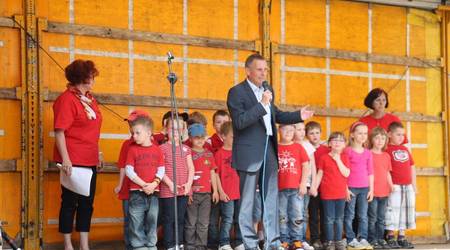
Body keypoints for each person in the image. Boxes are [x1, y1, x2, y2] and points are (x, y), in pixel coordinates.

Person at [226, 53, 313, 250]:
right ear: (248, 71)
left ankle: (273, 243)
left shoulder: (268, 89)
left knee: (271, 201)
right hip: (249, 155)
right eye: (259, 69)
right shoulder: (236, 92)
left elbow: (277, 114)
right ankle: (249, 244)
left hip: (269, 151)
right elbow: (240, 122)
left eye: (265, 69)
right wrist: (261, 104)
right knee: (247, 203)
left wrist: (299, 115)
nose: (263, 73)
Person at [53, 59, 102, 250]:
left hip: (89, 158)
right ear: (84, 78)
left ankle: (84, 244)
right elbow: (59, 131)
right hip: (73, 160)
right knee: (69, 203)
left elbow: (92, 130)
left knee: (87, 204)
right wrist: (66, 159)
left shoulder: (90, 99)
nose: (93, 79)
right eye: (91, 76)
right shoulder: (66, 99)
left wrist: (97, 153)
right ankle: (67, 244)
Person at [125, 115, 165, 250]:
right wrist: (143, 185)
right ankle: (138, 244)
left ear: (148, 133)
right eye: (132, 133)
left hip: (154, 192)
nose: (134, 136)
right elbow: (129, 171)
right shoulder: (132, 149)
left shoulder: (157, 150)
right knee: (136, 219)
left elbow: (161, 169)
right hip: (137, 192)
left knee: (152, 220)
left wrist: (154, 184)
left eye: (137, 133)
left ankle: (151, 243)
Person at [114, 109, 150, 250]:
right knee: (129, 220)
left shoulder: (153, 144)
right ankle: (130, 246)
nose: (131, 126)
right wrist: (119, 184)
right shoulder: (126, 144)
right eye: (129, 123)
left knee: (147, 220)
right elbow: (123, 166)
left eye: (133, 123)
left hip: (147, 190)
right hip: (128, 189)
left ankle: (145, 245)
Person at [310, 132, 350, 250]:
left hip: (340, 194)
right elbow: (319, 174)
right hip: (327, 194)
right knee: (328, 219)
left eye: (340, 140)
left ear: (344, 145)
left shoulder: (344, 157)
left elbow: (346, 173)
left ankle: (338, 240)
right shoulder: (324, 158)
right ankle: (329, 241)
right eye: (334, 140)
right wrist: (314, 187)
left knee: (339, 219)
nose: (337, 142)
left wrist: (338, 160)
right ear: (329, 143)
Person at [160, 118, 195, 250]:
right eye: (172, 129)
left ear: (182, 131)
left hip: (183, 190)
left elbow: (191, 168)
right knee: (169, 219)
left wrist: (188, 184)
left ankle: (179, 243)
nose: (175, 132)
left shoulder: (186, 149)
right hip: (168, 190)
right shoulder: (162, 148)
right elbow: (160, 169)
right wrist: (170, 184)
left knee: (180, 218)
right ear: (166, 130)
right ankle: (169, 244)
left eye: (178, 129)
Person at [185, 123, 219, 250]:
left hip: (206, 195)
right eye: (196, 137)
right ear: (190, 138)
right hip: (192, 194)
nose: (200, 140)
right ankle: (189, 246)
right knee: (191, 223)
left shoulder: (209, 154)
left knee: (204, 223)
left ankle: (200, 246)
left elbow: (213, 173)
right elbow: (185, 173)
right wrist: (188, 192)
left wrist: (215, 191)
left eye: (202, 137)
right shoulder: (187, 153)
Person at [277, 124, 310, 250]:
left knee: (297, 215)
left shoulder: (298, 147)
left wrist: (303, 183)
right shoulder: (276, 147)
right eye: (285, 129)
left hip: (296, 188)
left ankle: (297, 240)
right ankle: (284, 241)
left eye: (291, 130)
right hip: (280, 189)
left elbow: (306, 166)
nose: (289, 132)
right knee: (282, 216)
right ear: (279, 130)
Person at [384, 122, 416, 249]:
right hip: (394, 185)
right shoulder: (386, 149)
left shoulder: (405, 149)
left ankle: (402, 236)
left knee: (406, 210)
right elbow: (385, 169)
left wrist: (414, 185)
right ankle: (390, 236)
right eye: (398, 134)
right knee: (393, 210)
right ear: (389, 134)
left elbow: (411, 167)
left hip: (407, 185)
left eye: (402, 135)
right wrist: (390, 184)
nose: (401, 137)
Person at [343, 122, 374, 250]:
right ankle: (351, 239)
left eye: (365, 133)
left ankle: (363, 238)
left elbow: (370, 172)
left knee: (363, 215)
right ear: (352, 135)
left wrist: (372, 189)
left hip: (364, 188)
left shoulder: (368, 153)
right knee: (349, 215)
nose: (363, 136)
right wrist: (345, 189)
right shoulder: (347, 151)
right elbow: (343, 172)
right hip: (351, 188)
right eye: (359, 133)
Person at [215, 121, 243, 250]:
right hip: (227, 193)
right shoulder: (219, 154)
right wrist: (221, 192)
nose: (235, 139)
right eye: (233, 136)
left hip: (239, 192)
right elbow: (216, 175)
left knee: (239, 218)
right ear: (223, 136)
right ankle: (224, 243)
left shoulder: (239, 152)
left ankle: (238, 242)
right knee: (227, 219)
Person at [207, 110, 231, 249]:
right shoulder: (209, 142)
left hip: (229, 185)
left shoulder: (233, 140)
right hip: (214, 186)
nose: (222, 125)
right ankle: (213, 243)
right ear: (213, 124)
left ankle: (225, 242)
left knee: (229, 217)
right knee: (213, 218)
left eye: (225, 122)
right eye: (218, 122)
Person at [367, 127, 393, 249]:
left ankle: (380, 238)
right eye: (377, 138)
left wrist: (391, 185)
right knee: (372, 217)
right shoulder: (368, 154)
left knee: (381, 217)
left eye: (383, 138)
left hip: (384, 191)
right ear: (371, 139)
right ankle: (372, 239)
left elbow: (387, 172)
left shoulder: (386, 156)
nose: (380, 141)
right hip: (373, 191)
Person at [305, 121, 329, 250]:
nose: (315, 135)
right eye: (311, 133)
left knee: (325, 215)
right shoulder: (306, 148)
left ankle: (325, 238)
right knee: (313, 215)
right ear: (306, 135)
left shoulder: (326, 149)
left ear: (321, 133)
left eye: (317, 133)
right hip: (312, 188)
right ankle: (315, 238)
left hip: (325, 188)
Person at [293, 122, 316, 250]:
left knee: (303, 213)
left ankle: (302, 239)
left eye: (303, 130)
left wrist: (313, 185)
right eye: (298, 129)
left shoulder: (308, 146)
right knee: (291, 213)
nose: (302, 132)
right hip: (292, 185)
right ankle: (292, 239)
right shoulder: (290, 144)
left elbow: (313, 165)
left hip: (306, 184)